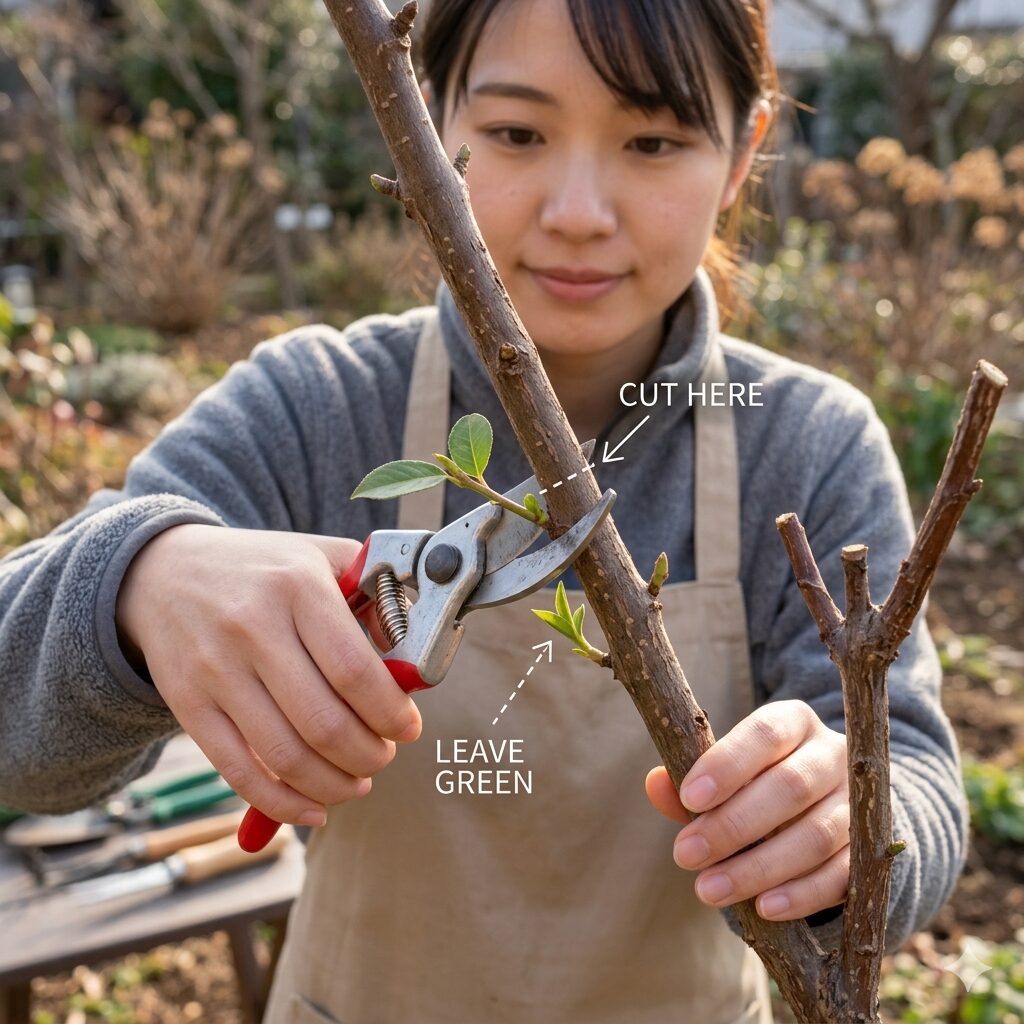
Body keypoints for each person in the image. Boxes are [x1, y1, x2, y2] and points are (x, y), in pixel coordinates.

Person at [0, 0, 969, 1021]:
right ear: (424, 128)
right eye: (515, 133)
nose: (579, 211)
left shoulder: (806, 447)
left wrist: (848, 823)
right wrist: (138, 583)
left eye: (652, 140)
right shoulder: (315, 410)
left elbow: (914, 771)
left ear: (740, 154)